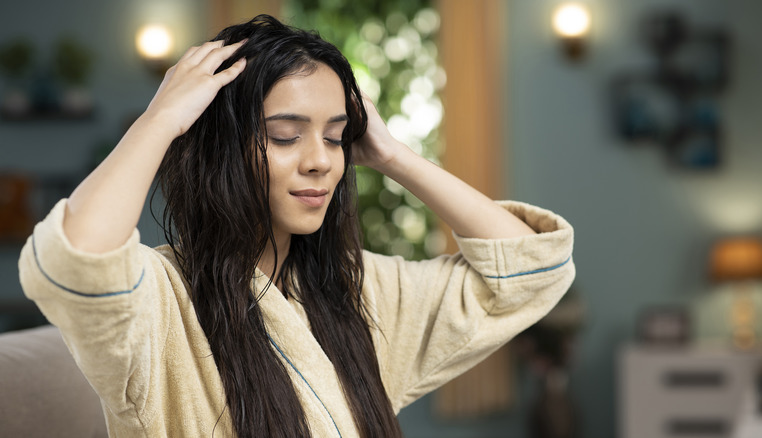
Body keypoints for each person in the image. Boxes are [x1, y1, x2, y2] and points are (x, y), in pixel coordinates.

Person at [18, 14, 575, 438]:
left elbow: (533, 270)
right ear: (221, 149)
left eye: (335, 136)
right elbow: (77, 262)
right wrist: (160, 120)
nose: (321, 161)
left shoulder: (359, 294)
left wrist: (394, 157)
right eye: (286, 135)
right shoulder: (160, 301)